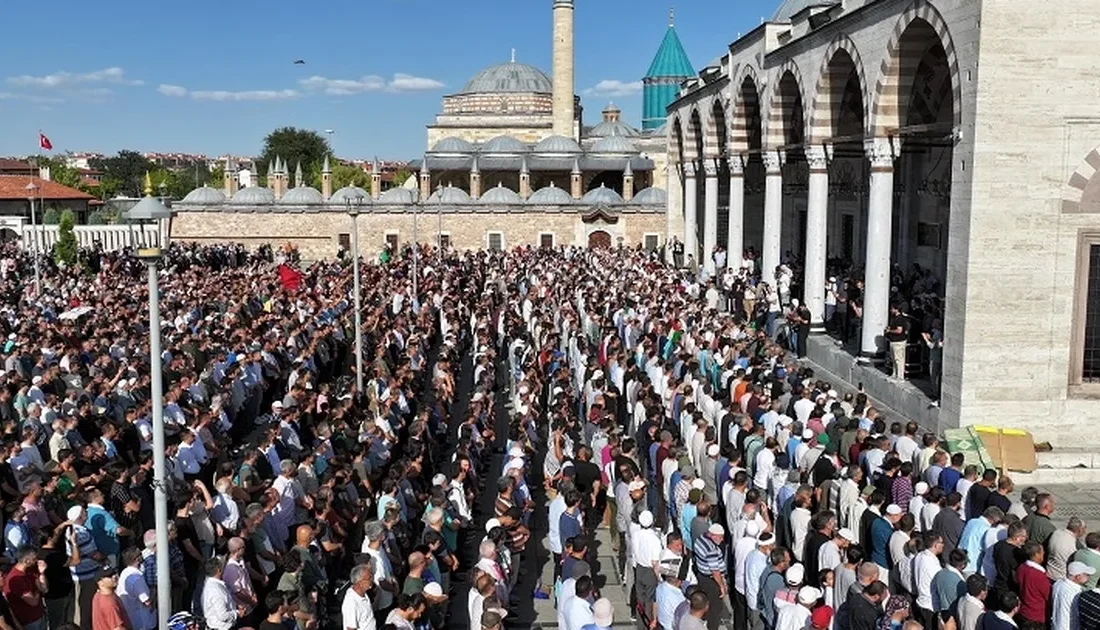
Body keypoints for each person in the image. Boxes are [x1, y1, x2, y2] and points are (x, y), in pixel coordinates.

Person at [3, 547, 47, 630]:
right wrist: (38, 590)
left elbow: (45, 589)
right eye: (34, 559)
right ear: (27, 561)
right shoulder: (16, 579)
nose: (37, 561)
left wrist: (42, 573)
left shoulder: (31, 570)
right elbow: (33, 601)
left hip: (40, 616)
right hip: (29, 622)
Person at [1014, 540, 1050, 630]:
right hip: (1036, 616)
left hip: (1023, 612)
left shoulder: (1021, 568)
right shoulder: (1039, 575)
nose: (1044, 553)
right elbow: (1048, 596)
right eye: (1042, 552)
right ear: (1036, 554)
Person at [117, 547, 155, 630]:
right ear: (137, 559)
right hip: (142, 623)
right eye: (140, 554)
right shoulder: (136, 578)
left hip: (131, 619)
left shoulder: (124, 572)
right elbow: (147, 601)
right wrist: (154, 590)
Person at [200, 557, 242, 630]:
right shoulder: (216, 591)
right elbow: (223, 616)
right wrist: (237, 613)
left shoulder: (211, 584)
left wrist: (235, 606)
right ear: (219, 570)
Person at [1052, 561, 1094, 630]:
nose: (1089, 576)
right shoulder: (1076, 594)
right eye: (1086, 574)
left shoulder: (1058, 584)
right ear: (1078, 577)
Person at [342, 563, 376, 630]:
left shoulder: (363, 593)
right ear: (359, 582)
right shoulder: (351, 603)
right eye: (369, 578)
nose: (372, 580)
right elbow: (351, 628)